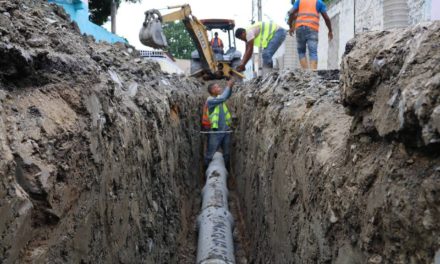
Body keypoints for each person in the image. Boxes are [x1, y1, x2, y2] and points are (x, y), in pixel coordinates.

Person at [287, 0, 333, 70]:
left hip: (300, 28)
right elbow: (326, 18)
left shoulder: (300, 1)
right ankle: (312, 75)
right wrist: (330, 30)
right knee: (313, 52)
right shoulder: (319, 2)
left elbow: (291, 13)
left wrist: (291, 27)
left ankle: (305, 74)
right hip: (312, 29)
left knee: (301, 51)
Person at [204, 79, 235, 171]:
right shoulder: (210, 100)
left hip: (225, 130)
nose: (219, 88)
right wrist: (228, 86)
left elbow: (227, 95)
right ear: (212, 90)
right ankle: (206, 171)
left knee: (226, 154)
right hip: (215, 131)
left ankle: (225, 172)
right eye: (217, 87)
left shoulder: (219, 98)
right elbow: (223, 98)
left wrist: (231, 87)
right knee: (210, 153)